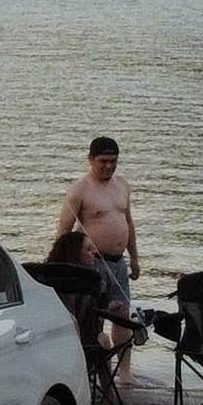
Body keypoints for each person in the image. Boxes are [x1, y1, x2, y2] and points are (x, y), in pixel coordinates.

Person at [55, 135, 139, 353]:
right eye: (103, 161)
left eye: (113, 161)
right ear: (91, 160)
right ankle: (97, 365)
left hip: (119, 262)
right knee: (94, 317)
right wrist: (61, 268)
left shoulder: (122, 185)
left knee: (123, 315)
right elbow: (64, 231)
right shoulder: (79, 189)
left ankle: (125, 372)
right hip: (92, 263)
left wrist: (135, 258)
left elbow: (128, 222)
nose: (108, 166)